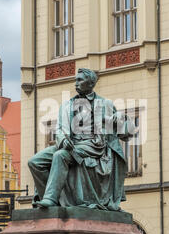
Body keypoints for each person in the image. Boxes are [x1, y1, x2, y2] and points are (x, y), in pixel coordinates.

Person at [28, 68, 135, 211]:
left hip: (93, 146)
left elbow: (128, 133)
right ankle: (53, 200)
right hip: (69, 143)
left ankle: (50, 198)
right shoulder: (67, 105)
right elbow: (59, 129)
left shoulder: (105, 104)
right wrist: (63, 140)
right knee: (34, 162)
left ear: (91, 83)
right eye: (75, 80)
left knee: (60, 156)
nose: (76, 83)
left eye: (80, 80)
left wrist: (120, 119)